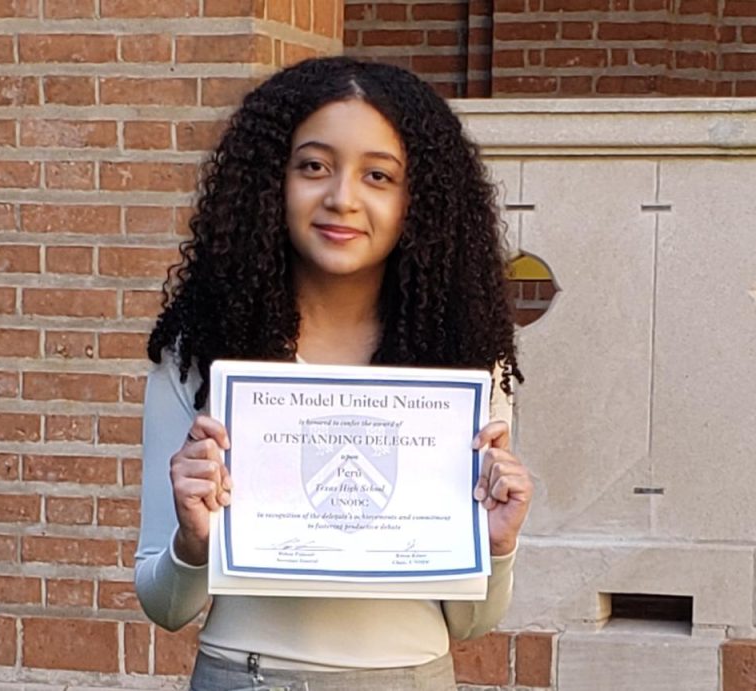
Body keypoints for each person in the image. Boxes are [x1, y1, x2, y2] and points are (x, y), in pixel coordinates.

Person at [135, 56, 533, 691]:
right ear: (271, 180)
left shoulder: (465, 361)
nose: (342, 198)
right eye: (313, 166)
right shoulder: (199, 352)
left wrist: (498, 543)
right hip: (245, 676)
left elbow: (471, 622)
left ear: (419, 200)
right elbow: (165, 605)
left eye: (379, 175)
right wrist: (193, 537)